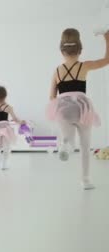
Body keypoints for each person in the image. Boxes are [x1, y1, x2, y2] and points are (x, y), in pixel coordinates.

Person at [46, 28, 109, 190]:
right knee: (85, 145)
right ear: (80, 49)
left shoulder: (58, 71)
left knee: (67, 131)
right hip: (82, 108)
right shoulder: (84, 66)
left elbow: (52, 96)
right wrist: (107, 37)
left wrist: (61, 103)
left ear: (61, 49)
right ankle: (86, 180)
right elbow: (107, 59)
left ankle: (66, 142)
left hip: (64, 108)